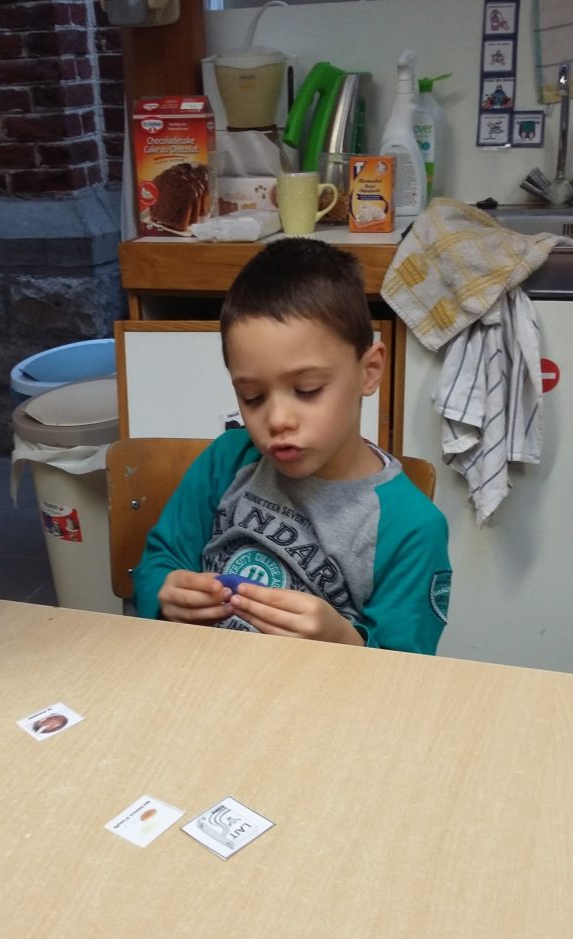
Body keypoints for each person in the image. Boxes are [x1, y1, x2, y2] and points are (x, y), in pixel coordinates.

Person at [133, 238, 451, 653]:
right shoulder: (226, 460)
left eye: (307, 389)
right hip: (199, 675)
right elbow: (157, 564)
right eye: (252, 397)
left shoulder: (411, 527)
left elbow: (405, 668)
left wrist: (342, 641)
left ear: (370, 371)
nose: (277, 420)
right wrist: (166, 592)